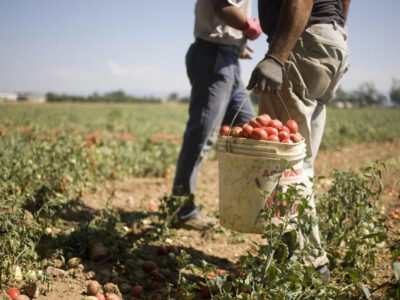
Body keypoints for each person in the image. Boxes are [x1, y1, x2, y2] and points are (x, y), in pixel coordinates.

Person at [247, 0, 351, 282]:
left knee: (286, 163)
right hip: (329, 41)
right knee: (299, 160)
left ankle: (308, 267)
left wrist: (276, 56)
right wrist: (336, 28)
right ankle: (292, 256)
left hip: (302, 41)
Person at [172, 0, 262, 229]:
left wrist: (235, 42)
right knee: (202, 135)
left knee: (249, 130)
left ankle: (250, 206)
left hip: (227, 57)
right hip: (213, 55)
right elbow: (221, 6)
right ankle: (182, 209)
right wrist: (250, 27)